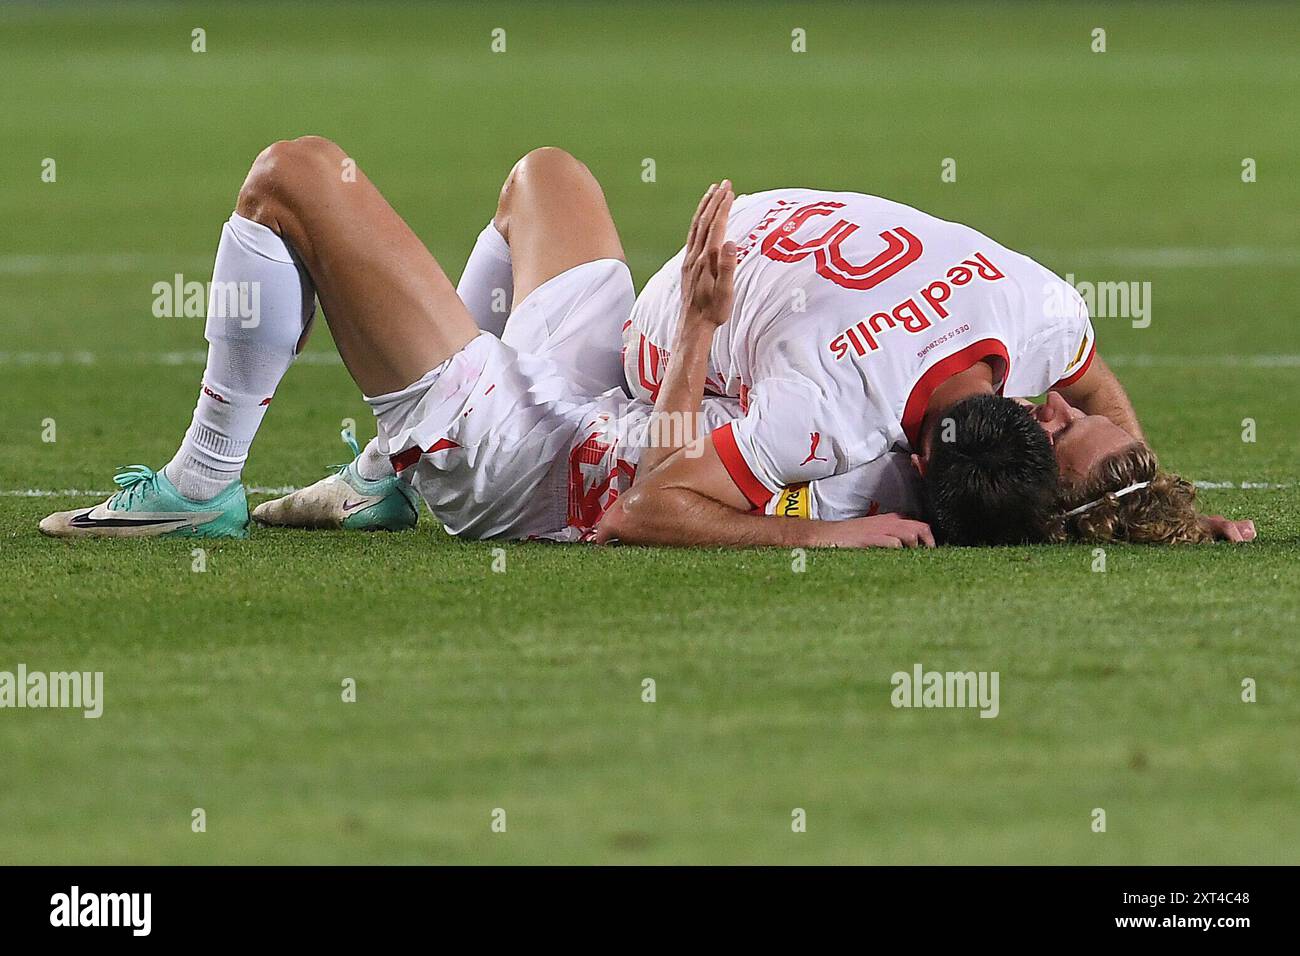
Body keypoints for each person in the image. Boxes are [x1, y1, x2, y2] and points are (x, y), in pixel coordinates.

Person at [39, 141, 929, 548]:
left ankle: (199, 487)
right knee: (547, 176)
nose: (1054, 413)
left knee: (291, 177)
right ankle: (378, 481)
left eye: (1059, 430)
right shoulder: (941, 437)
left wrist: (698, 326)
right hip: (607, 398)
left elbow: (653, 501)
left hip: (536, 468)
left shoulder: (898, 486)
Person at [609, 187, 1255, 545]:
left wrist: (1146, 509)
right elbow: (645, 502)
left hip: (769, 218)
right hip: (680, 308)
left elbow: (1091, 391)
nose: (1059, 404)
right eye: (1067, 419)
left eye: (1059, 431)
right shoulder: (833, 411)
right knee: (856, 487)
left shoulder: (1039, 307)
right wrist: (817, 537)